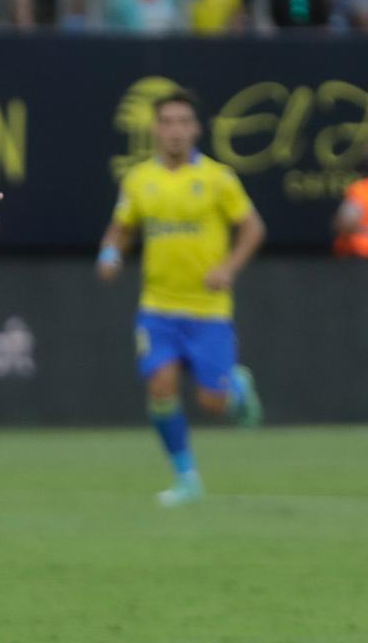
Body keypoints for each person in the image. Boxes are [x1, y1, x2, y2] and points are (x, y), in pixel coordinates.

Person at [97, 88, 266, 507]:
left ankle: (237, 389)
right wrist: (109, 254)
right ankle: (186, 477)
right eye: (167, 122)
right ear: (155, 129)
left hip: (209, 311)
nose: (175, 131)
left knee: (212, 402)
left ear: (196, 129)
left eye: (182, 122)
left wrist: (228, 267)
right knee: (160, 385)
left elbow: (253, 228)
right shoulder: (139, 180)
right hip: (158, 308)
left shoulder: (218, 179)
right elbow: (122, 227)